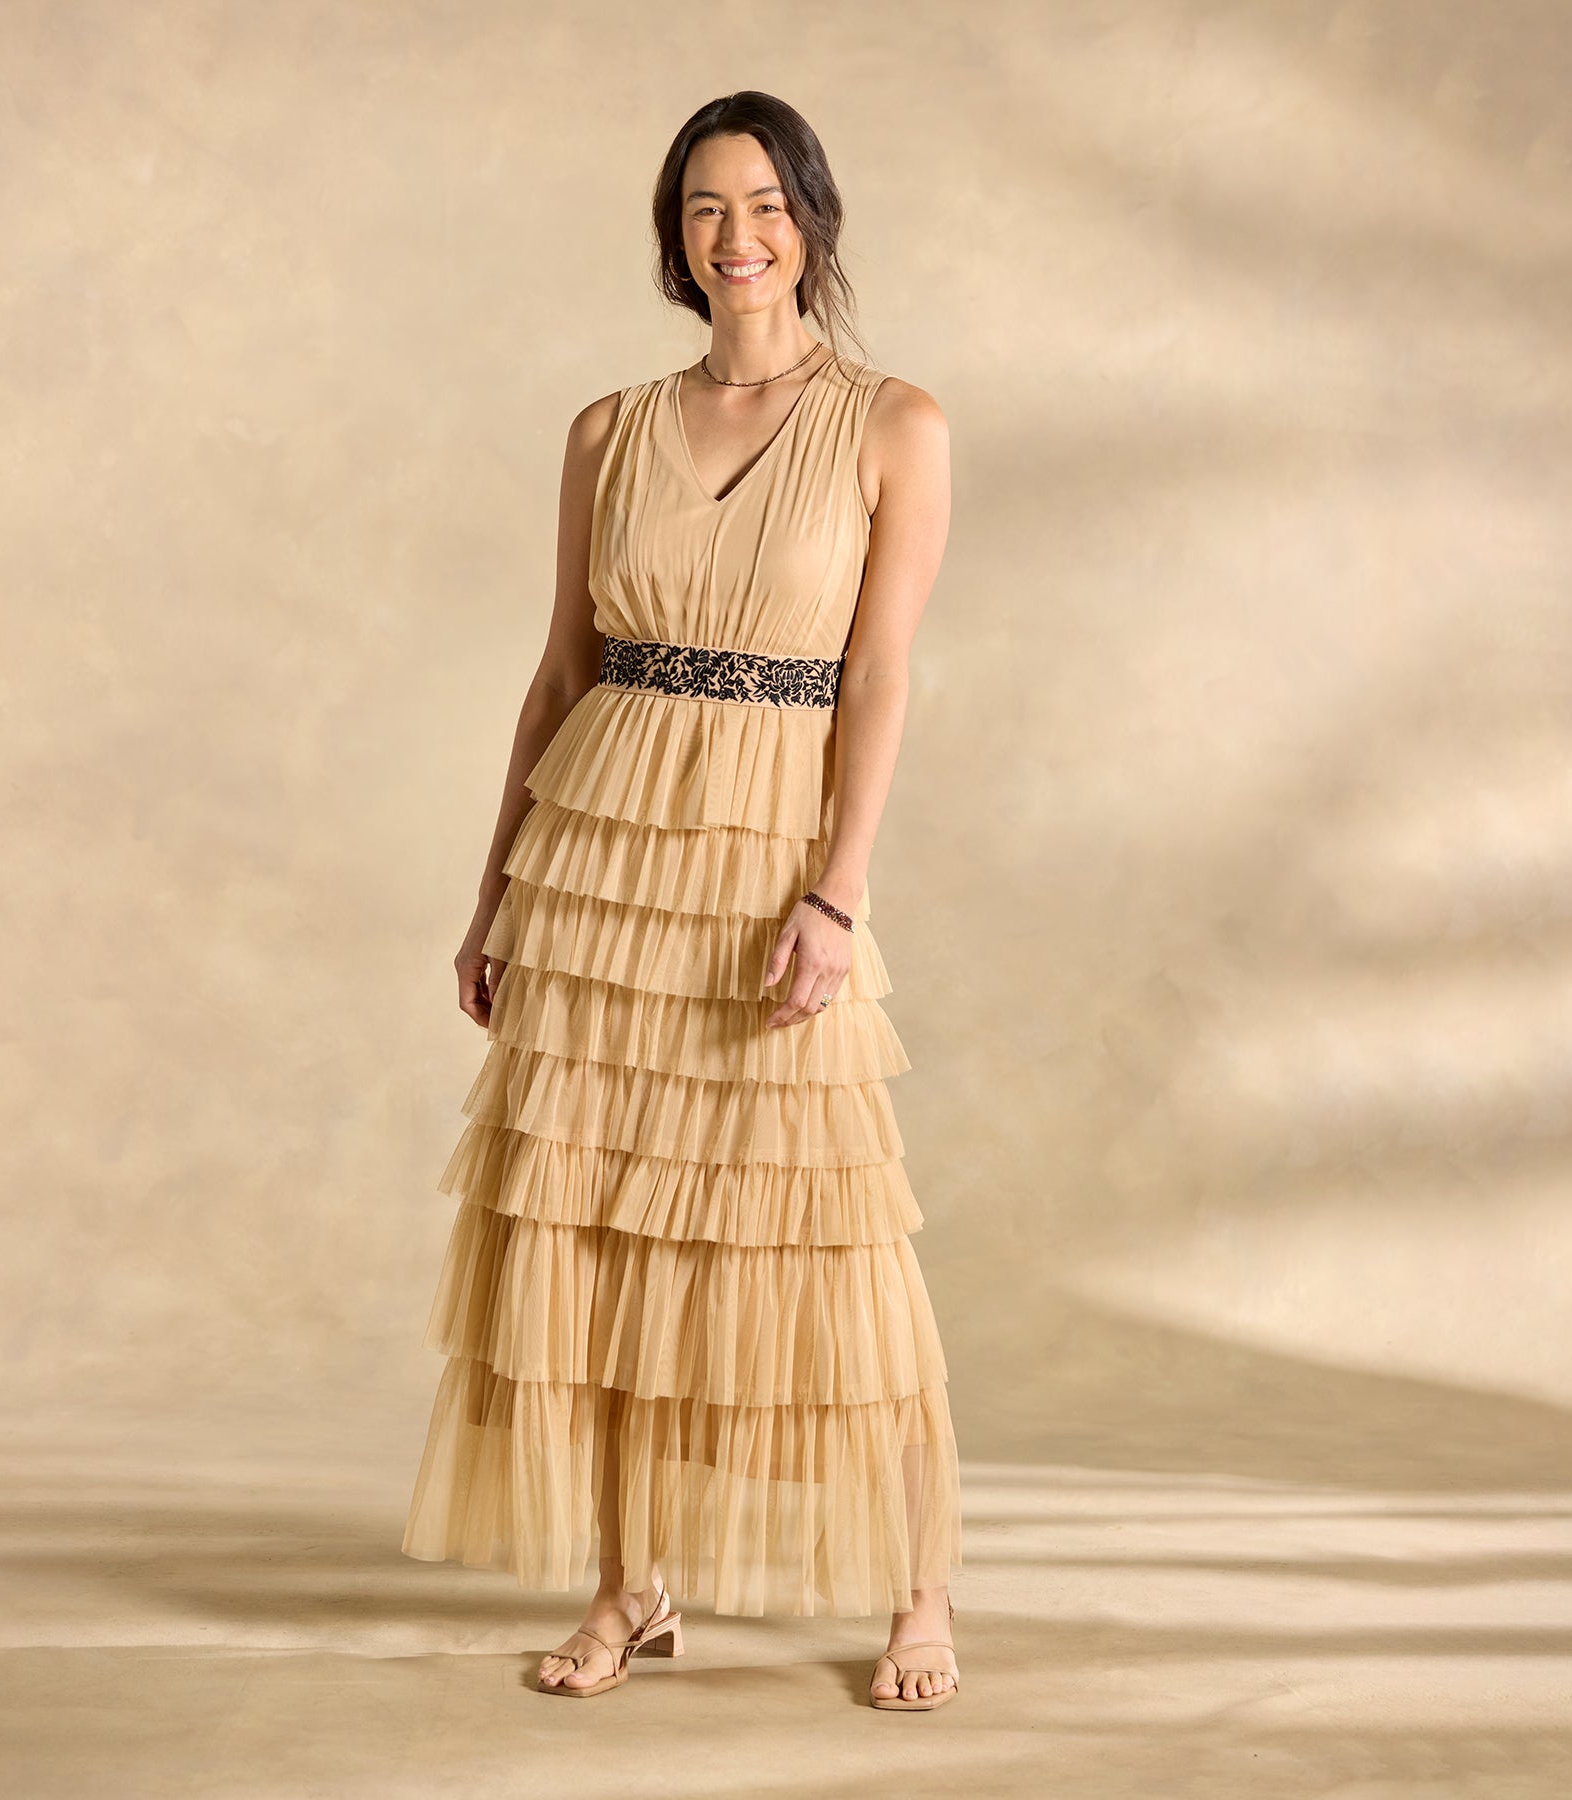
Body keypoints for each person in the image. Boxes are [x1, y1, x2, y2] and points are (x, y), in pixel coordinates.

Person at [401, 90, 963, 1712]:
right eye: (708, 207)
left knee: (823, 1231)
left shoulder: (893, 425)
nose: (739, 236)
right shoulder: (607, 430)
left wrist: (837, 896)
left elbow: (879, 675)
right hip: (598, 865)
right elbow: (561, 672)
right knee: (602, 1226)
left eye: (767, 203)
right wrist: (493, 896)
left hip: (770, 861)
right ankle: (628, 1586)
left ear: (814, 220)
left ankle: (920, 1591)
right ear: (675, 235)